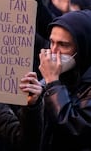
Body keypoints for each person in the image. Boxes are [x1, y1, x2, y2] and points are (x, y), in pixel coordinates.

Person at [39, 10, 91, 150]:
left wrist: (53, 83)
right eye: (52, 42)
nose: (54, 51)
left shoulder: (54, 79)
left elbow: (78, 130)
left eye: (63, 45)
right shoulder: (63, 75)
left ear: (83, 47)